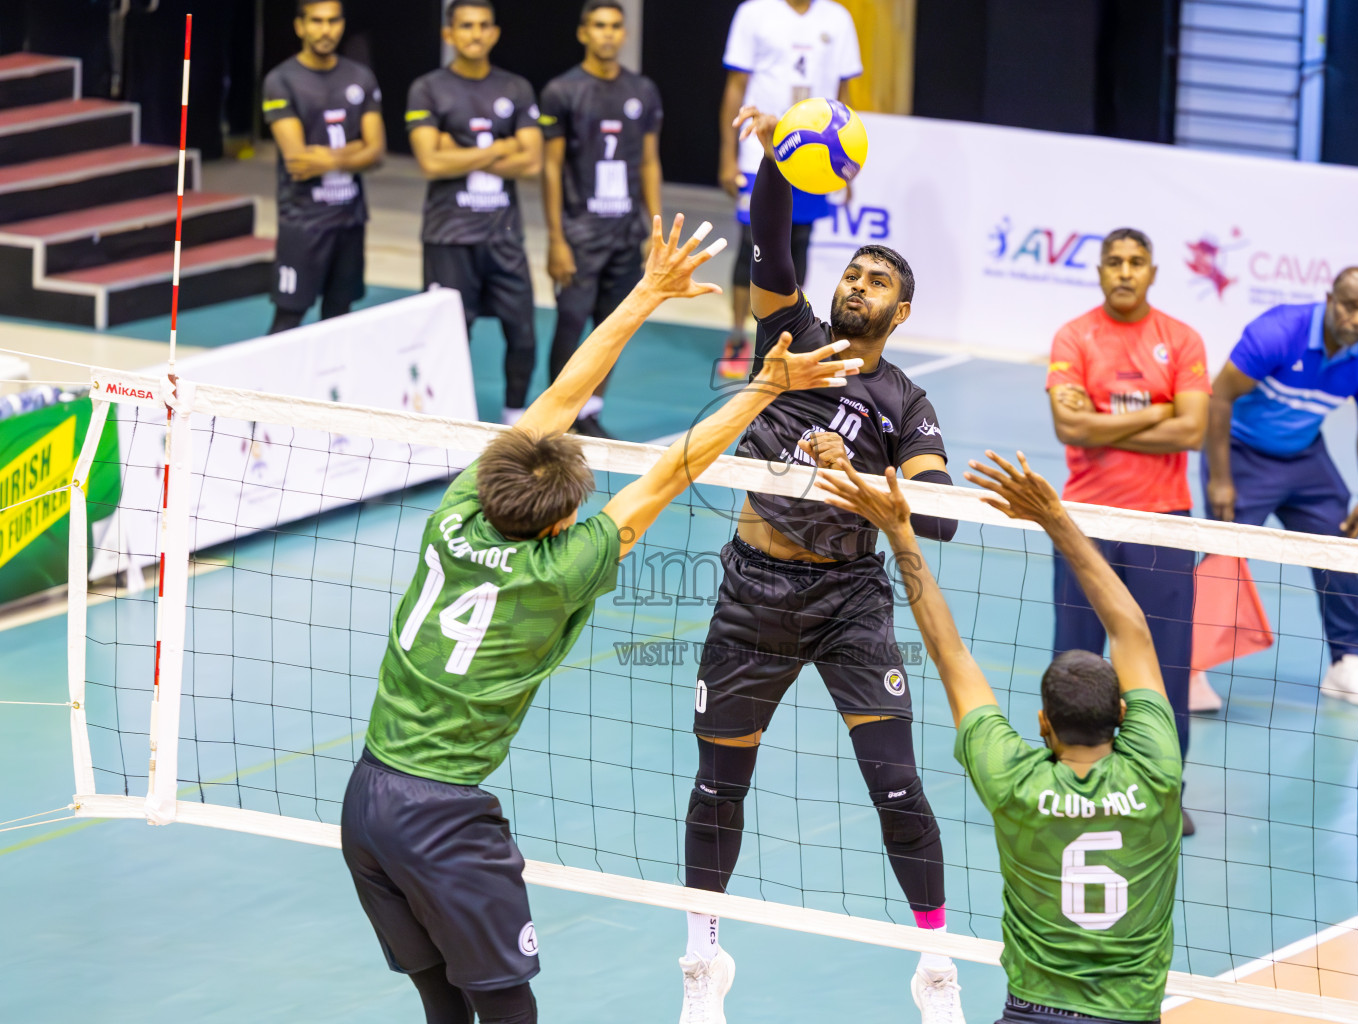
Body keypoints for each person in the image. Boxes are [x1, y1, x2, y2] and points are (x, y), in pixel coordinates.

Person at [340, 215, 862, 1024]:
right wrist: (765, 388)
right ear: (556, 524)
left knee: (442, 1007)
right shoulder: (562, 565)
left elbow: (557, 401)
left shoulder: (461, 507)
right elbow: (675, 470)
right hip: (441, 817)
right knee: (510, 1010)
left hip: (365, 798)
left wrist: (646, 293)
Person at [678, 106, 963, 1024]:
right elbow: (767, 234)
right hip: (753, 591)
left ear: (900, 311)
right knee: (720, 782)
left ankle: (934, 964)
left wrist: (869, 481)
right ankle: (702, 961)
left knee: (898, 786)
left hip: (848, 602)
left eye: (877, 279)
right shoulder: (790, 337)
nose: (859, 283)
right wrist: (775, 161)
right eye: (855, 269)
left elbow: (940, 516)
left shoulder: (905, 402)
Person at [816, 451, 1183, 1024]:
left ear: (1043, 724)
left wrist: (898, 532)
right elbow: (1132, 629)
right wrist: (1055, 518)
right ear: (1121, 713)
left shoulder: (1014, 778)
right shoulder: (1158, 767)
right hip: (1131, 1014)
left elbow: (949, 654)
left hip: (1031, 1013)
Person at [1046, 228, 1209, 836]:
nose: (1124, 272)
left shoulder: (1181, 339)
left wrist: (1101, 422)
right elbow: (1069, 426)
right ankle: (1068, 783)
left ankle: (1165, 791)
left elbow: (1191, 432)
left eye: (1136, 262)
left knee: (1167, 668)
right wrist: (1155, 412)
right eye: (1114, 261)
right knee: (1077, 663)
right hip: (1084, 524)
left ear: (1153, 271)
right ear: (1098, 270)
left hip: (1162, 521)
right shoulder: (1075, 336)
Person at [1200, 267, 1358, 708]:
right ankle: (1191, 669)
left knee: (1336, 548)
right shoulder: (1278, 333)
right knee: (1222, 557)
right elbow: (1219, 397)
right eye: (1348, 306)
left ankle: (1346, 663)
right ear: (1329, 298)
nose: (1357, 320)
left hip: (1304, 458)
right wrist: (1222, 479)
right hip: (1241, 451)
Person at [406, 0, 544, 426]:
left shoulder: (517, 88)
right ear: (449, 34)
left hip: (503, 236)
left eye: (484, 26)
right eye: (466, 26)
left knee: (522, 333)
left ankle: (515, 419)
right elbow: (430, 163)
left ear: (495, 33)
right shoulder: (427, 89)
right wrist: (504, 146)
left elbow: (533, 163)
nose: (475, 34)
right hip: (449, 236)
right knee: (450, 337)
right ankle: (448, 423)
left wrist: (459, 150)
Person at [716, 0, 863, 379]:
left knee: (799, 243)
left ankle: (784, 337)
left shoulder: (838, 18)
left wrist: (845, 168)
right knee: (754, 243)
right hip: (759, 148)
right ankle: (736, 336)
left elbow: (843, 100)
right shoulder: (755, 12)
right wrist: (727, 156)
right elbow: (735, 88)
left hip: (815, 159)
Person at [539, 0, 663, 439]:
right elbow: (550, 167)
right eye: (598, 26)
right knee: (571, 324)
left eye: (615, 26)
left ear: (624, 33)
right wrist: (556, 238)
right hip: (579, 233)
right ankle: (557, 417)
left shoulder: (642, 91)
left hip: (625, 235)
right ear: (583, 33)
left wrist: (654, 226)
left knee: (613, 328)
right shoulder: (562, 91)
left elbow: (649, 162)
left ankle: (589, 410)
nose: (607, 34)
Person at [262, 0, 384, 335]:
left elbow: (377, 152)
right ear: (300, 26)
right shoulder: (281, 80)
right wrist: (354, 150)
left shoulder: (360, 77)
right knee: (288, 319)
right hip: (303, 223)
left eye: (332, 21)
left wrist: (329, 156)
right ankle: (267, 389)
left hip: (350, 220)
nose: (325, 29)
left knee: (339, 317)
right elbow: (298, 162)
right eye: (316, 21)